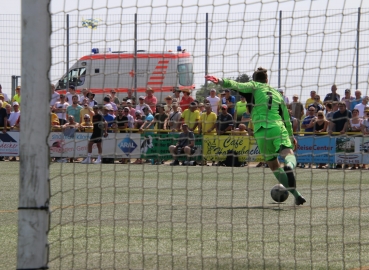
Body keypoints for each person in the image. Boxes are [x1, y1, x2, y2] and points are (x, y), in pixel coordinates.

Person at [205, 67, 306, 205]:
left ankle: (296, 194)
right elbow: (287, 118)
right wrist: (290, 135)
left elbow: (237, 85)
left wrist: (220, 81)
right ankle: (289, 165)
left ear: (254, 79)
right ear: (267, 79)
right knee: (288, 153)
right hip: (277, 126)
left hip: (260, 131)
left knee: (273, 165)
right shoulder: (277, 94)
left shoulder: (253, 86)